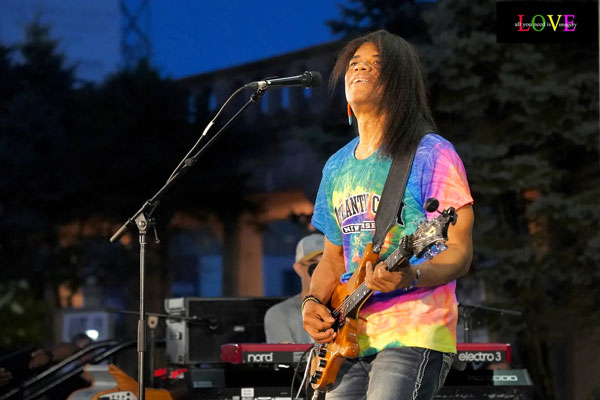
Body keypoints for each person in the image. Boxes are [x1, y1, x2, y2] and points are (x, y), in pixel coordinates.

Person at [302, 30, 474, 400]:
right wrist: (313, 304)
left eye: (374, 64)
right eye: (354, 63)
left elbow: (459, 251)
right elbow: (332, 260)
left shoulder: (430, 154)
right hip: (346, 338)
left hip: (411, 331)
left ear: (398, 83)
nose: (359, 68)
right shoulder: (336, 166)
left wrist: (411, 275)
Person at [264, 233, 325, 344]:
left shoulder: (346, 307)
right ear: (298, 268)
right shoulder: (280, 313)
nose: (321, 271)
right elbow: (286, 359)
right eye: (314, 265)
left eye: (326, 264)